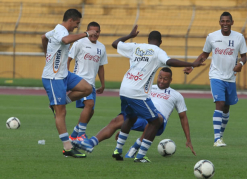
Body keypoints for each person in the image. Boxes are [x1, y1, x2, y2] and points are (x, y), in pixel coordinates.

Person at [72, 25, 204, 162]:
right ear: (160, 42)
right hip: (137, 92)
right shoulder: (158, 51)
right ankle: (140, 156)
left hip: (124, 89)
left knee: (130, 117)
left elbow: (115, 44)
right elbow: (169, 61)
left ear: (148, 40)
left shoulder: (136, 47)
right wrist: (192, 63)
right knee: (154, 121)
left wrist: (129, 36)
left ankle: (99, 145)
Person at [80, 68, 196, 160]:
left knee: (156, 118)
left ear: (170, 80)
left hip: (158, 120)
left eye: (165, 79)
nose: (161, 80)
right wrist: (126, 126)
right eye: (160, 77)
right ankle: (91, 142)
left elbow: (183, 118)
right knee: (117, 120)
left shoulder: (177, 95)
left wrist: (188, 140)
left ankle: (135, 147)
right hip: (142, 112)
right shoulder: (149, 88)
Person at [184, 12, 247, 147]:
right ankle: (216, 139)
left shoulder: (239, 37)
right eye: (222, 21)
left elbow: (244, 56)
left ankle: (221, 136)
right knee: (220, 103)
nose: (225, 24)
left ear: (232, 22)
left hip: (230, 78)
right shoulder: (212, 37)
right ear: (219, 22)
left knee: (226, 107)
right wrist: (192, 66)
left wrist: (240, 64)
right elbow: (205, 54)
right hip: (216, 76)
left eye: (227, 21)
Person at [41, 9, 97, 158]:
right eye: (77, 24)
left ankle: (58, 103)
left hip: (64, 74)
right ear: (71, 20)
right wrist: (86, 33)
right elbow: (65, 40)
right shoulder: (61, 31)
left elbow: (43, 37)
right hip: (53, 78)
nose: (76, 27)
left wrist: (47, 54)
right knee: (61, 112)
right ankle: (67, 147)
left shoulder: (55, 30)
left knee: (87, 88)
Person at [67, 21, 108, 141]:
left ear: (100, 32)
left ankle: (74, 136)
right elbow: (68, 59)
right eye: (92, 31)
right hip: (80, 81)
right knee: (89, 105)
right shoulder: (79, 43)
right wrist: (67, 77)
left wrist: (103, 83)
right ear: (87, 31)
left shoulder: (101, 47)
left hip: (92, 83)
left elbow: (101, 66)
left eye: (97, 32)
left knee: (91, 112)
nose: (94, 34)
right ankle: (81, 135)